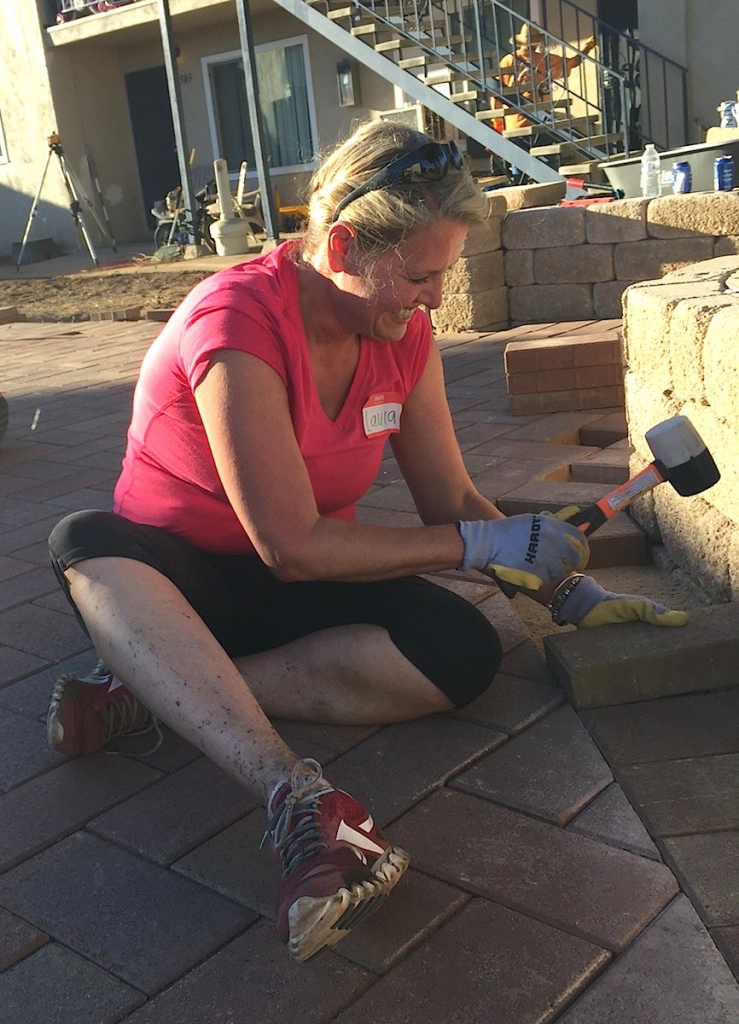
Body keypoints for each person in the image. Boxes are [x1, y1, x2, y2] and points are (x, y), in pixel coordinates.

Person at [45, 119, 686, 963]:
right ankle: (298, 801)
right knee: (85, 540)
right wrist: (477, 546)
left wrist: (564, 586)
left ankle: (150, 688)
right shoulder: (237, 324)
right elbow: (293, 546)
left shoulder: (403, 338)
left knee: (460, 651)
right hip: (180, 583)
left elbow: (451, 498)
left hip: (285, 589)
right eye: (419, 276)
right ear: (341, 242)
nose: (432, 300)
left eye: (444, 275)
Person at [489, 25, 598, 181]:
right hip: (542, 121)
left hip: (515, 123)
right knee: (547, 165)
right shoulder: (546, 60)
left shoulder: (508, 60)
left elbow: (497, 93)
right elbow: (574, 62)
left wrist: (497, 121)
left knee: (518, 169)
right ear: (536, 43)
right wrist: (588, 46)